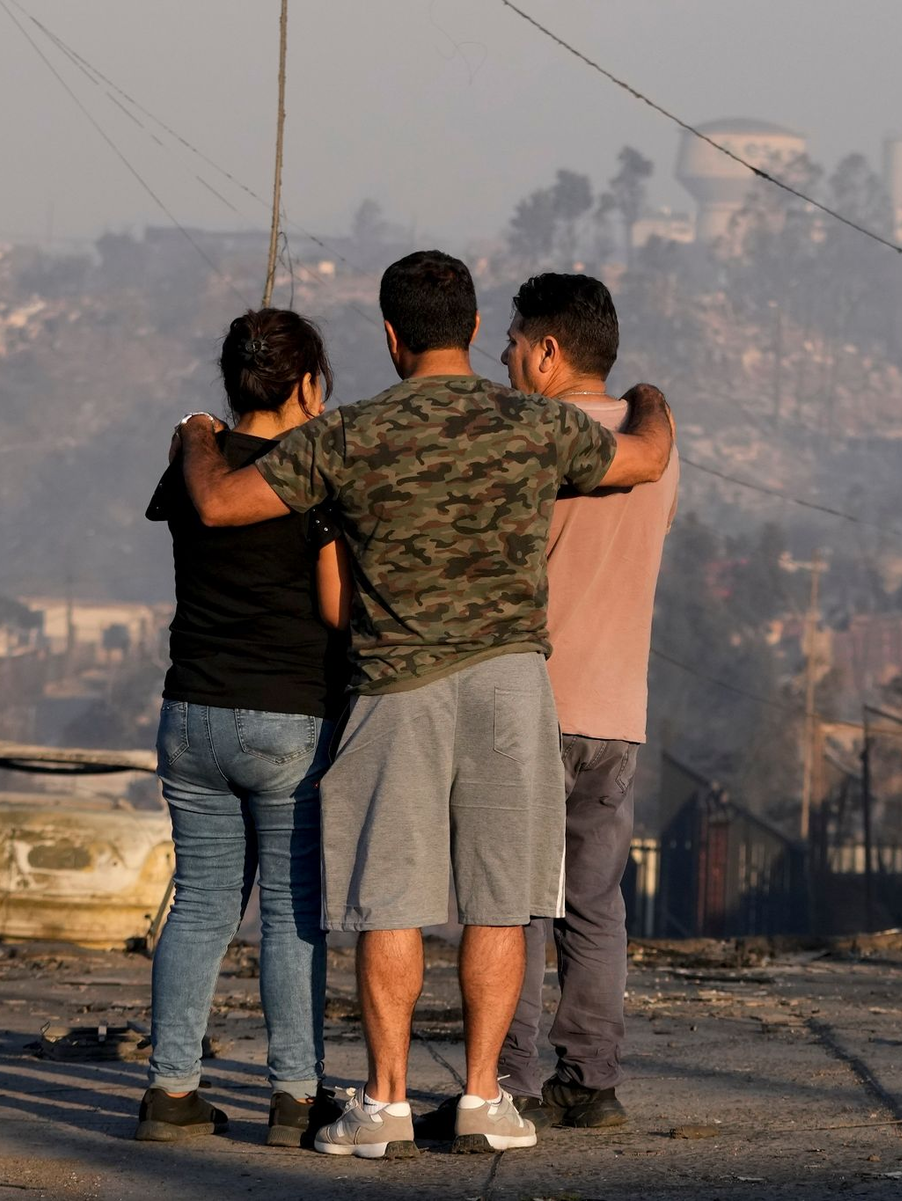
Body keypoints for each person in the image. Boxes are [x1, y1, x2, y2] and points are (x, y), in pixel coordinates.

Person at [173, 250, 674, 1159]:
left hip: (395, 685)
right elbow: (646, 455)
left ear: (393, 337)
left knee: (387, 898)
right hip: (513, 685)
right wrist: (646, 391)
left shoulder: (351, 434)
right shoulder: (533, 425)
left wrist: (199, 429)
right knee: (500, 899)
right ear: (479, 332)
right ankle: (485, 1097)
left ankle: (387, 1102)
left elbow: (218, 505)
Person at [136, 308, 350, 1148]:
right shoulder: (314, 478)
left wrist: (198, 427)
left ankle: (171, 1089)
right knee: (292, 909)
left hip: (191, 711)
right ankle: (296, 1096)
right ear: (305, 383)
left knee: (200, 906)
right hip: (287, 718)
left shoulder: (199, 465)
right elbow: (336, 607)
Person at [496, 273, 679, 1129]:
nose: (502, 355)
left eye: (512, 340)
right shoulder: (658, 446)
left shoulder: (531, 438)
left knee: (514, 899)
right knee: (596, 903)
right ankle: (592, 1078)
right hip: (619, 711)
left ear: (547, 350)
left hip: (534, 701)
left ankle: (508, 1078)